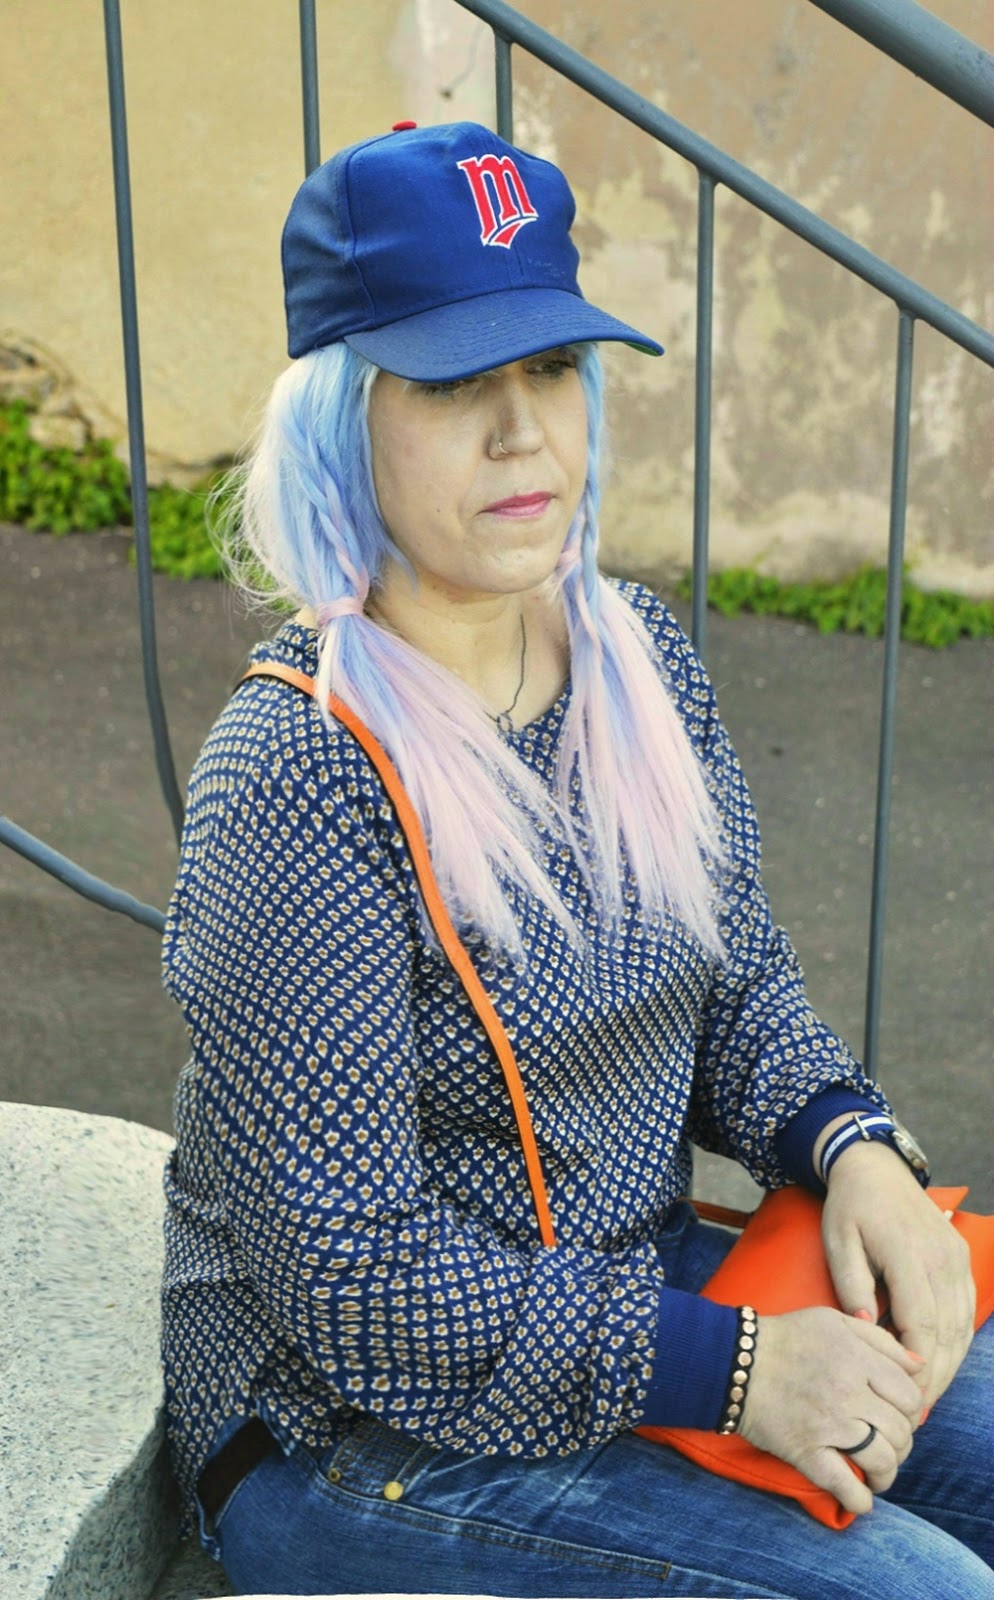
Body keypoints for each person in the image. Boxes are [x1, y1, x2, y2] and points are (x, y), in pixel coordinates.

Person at [161, 121, 992, 1598]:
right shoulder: (292, 775)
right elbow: (354, 1281)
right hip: (345, 1435)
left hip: (636, 1314)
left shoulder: (633, 656)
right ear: (344, 417)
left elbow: (731, 981)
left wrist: (847, 1143)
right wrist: (740, 1371)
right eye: (448, 384)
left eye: (549, 369)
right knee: (919, 1590)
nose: (521, 431)